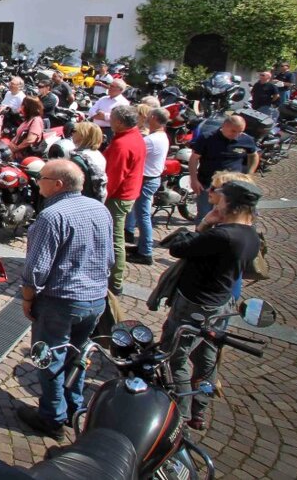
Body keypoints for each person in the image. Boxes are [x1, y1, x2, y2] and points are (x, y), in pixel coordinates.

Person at [18, 159, 114, 437]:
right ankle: (74, 408)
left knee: (50, 358)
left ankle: (52, 417)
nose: (38, 182)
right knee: (78, 355)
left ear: (58, 184)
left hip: (60, 301)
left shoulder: (52, 216)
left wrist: (27, 298)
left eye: (42, 178)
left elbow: (36, 269)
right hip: (94, 299)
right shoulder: (100, 208)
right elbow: (110, 257)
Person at [161, 176, 262, 431]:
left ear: (232, 205)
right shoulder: (250, 235)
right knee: (206, 358)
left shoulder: (223, 236)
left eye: (221, 198)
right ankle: (199, 411)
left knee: (175, 356)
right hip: (220, 303)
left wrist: (204, 224)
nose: (216, 202)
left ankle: (180, 413)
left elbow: (179, 247)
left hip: (195, 304)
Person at [101, 105, 146, 294]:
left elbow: (114, 176)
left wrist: (101, 199)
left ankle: (115, 281)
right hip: (126, 193)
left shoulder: (123, 144)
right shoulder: (133, 136)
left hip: (118, 196)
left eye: (111, 118)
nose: (109, 121)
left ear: (119, 122)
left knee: (114, 238)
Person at [188, 114, 259, 219]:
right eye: (233, 131)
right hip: (208, 183)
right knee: (204, 214)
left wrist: (249, 174)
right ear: (224, 126)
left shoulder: (246, 139)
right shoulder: (207, 138)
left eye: (240, 132)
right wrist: (194, 180)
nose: (236, 135)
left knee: (230, 215)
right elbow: (194, 159)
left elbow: (254, 155)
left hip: (233, 185)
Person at [126, 107, 170, 266]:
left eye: (149, 116)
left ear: (154, 118)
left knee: (143, 216)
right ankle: (142, 247)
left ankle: (146, 252)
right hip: (152, 178)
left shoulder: (151, 140)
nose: (146, 118)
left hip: (147, 180)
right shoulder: (161, 136)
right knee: (142, 215)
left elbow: (132, 153)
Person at [71, 122, 108, 198]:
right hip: (97, 197)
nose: (72, 133)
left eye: (74, 131)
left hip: (81, 198)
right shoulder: (97, 154)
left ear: (83, 135)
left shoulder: (78, 159)